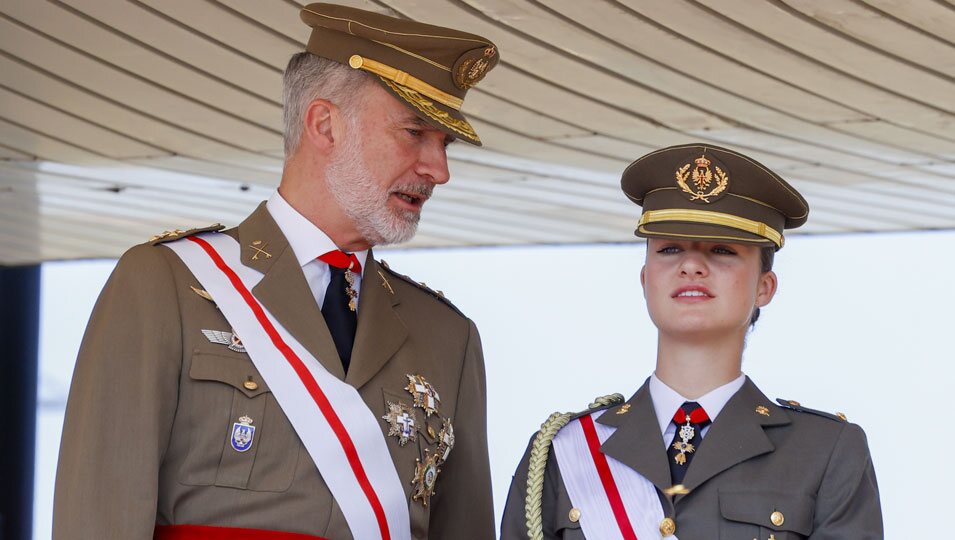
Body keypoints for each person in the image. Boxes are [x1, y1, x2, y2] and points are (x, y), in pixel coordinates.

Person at [53, 4, 499, 539]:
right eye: (414, 133)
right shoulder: (166, 285)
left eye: (444, 144)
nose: (439, 170)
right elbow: (98, 517)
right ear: (324, 124)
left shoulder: (448, 337)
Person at [500, 143, 883, 539]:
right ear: (645, 278)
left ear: (764, 288)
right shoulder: (567, 450)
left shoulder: (825, 452)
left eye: (721, 250)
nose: (691, 265)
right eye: (669, 249)